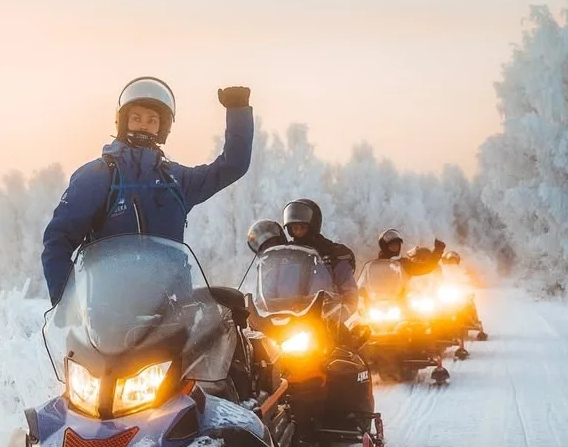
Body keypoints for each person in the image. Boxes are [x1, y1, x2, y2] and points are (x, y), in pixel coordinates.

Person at [41, 77, 254, 305]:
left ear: (162, 127)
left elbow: (231, 167)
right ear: (123, 121)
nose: (144, 125)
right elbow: (58, 240)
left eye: (152, 120)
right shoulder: (98, 176)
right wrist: (67, 304)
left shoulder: (176, 180)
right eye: (136, 118)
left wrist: (237, 111)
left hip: (173, 309)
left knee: (233, 310)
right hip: (111, 312)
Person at [281, 199, 357, 315]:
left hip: (325, 316)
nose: (298, 231)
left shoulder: (333, 253)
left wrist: (341, 312)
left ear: (313, 226)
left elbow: (349, 292)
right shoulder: (286, 255)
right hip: (291, 316)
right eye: (295, 228)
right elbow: (272, 289)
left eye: (302, 227)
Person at [375, 227, 446, 277]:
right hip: (377, 294)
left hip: (401, 294)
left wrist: (438, 251)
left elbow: (426, 268)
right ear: (384, 247)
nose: (395, 247)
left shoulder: (404, 263)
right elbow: (369, 281)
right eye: (391, 245)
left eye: (397, 245)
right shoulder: (375, 265)